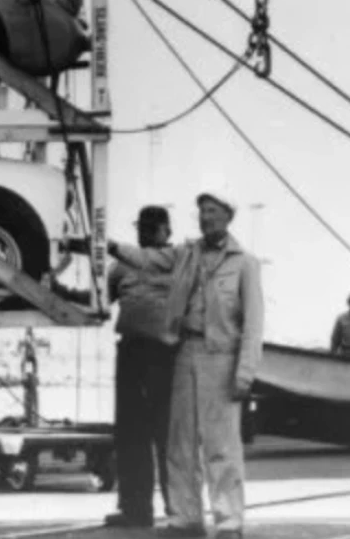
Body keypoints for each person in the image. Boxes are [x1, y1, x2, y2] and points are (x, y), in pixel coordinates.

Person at [108, 192, 264, 539]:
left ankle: (229, 522)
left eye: (212, 211)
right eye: (202, 211)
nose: (206, 217)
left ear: (228, 216)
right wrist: (110, 246)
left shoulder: (245, 264)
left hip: (221, 357)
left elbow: (253, 326)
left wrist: (245, 373)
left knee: (221, 445)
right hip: (184, 353)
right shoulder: (185, 254)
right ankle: (185, 519)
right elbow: (146, 258)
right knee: (180, 443)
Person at [102, 205, 178, 528]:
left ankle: (180, 510)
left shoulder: (179, 261)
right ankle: (135, 509)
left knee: (169, 435)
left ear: (167, 230)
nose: (145, 232)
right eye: (141, 227)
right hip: (132, 353)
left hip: (167, 355)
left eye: (152, 227)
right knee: (130, 432)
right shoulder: (120, 268)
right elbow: (101, 301)